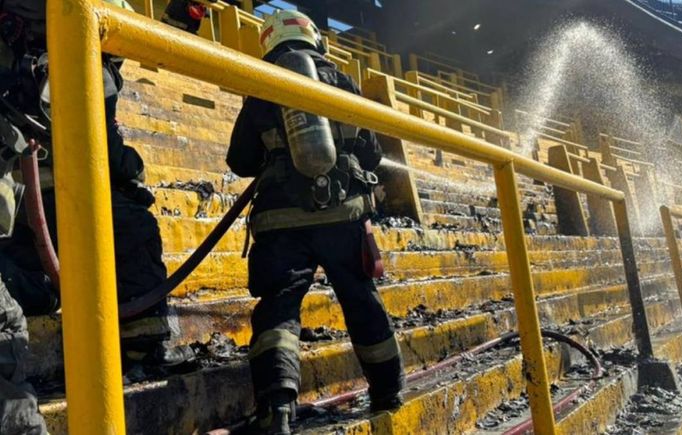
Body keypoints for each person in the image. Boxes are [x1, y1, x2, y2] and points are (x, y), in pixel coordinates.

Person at [227, 10, 405, 434]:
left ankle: (277, 409)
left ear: (269, 45)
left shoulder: (262, 87)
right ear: (314, 39)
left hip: (281, 226)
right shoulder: (343, 81)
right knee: (361, 300)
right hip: (343, 220)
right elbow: (371, 153)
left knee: (279, 309)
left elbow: (240, 161)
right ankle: (387, 392)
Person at [0, 0, 192, 381]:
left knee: (32, 279)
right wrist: (131, 171)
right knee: (136, 231)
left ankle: (41, 293)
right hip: (70, 201)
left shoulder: (22, 51)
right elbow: (103, 138)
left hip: (19, 211)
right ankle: (142, 346)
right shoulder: (82, 49)